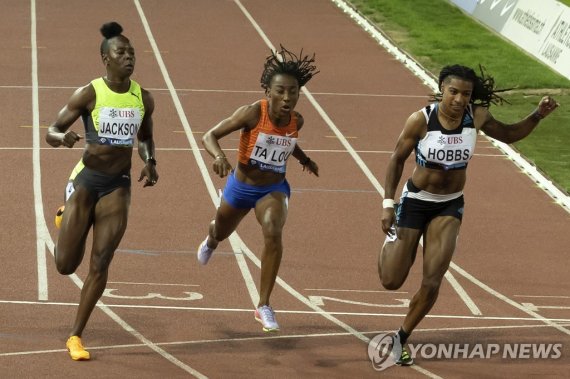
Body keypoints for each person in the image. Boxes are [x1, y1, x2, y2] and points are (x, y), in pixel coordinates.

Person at [378, 64, 558, 365]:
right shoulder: (421, 120)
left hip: (449, 205)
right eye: (454, 92)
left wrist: (537, 115)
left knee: (433, 279)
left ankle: (401, 337)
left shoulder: (477, 117)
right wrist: (387, 203)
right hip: (416, 201)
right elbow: (397, 159)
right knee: (391, 281)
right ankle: (395, 240)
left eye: (466, 94)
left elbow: (510, 134)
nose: (460, 99)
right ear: (441, 89)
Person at [45, 22, 158, 361]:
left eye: (131, 53)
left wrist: (150, 160)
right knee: (65, 265)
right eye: (120, 53)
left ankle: (76, 335)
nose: (128, 58)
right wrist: (61, 138)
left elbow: (145, 137)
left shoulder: (143, 97)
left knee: (101, 260)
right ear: (104, 59)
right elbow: (52, 129)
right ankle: (66, 217)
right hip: (87, 182)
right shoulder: (90, 93)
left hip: (117, 187)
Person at [197, 46, 319, 332]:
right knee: (221, 230)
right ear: (268, 92)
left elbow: (287, 141)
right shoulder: (252, 113)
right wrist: (219, 157)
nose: (287, 97)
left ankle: (263, 305)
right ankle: (212, 239)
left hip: (273, 188)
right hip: (241, 187)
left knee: (273, 231)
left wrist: (304, 159)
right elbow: (209, 135)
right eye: (280, 91)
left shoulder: (297, 121)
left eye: (293, 91)